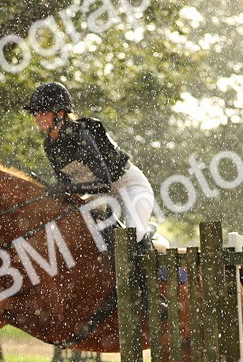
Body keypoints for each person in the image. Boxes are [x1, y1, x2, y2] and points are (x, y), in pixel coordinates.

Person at [24, 82, 167, 249]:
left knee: (132, 238)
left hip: (128, 185)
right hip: (99, 194)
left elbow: (104, 182)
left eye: (43, 112)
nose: (37, 117)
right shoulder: (50, 145)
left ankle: (147, 239)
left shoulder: (80, 135)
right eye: (35, 112)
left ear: (60, 113)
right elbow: (66, 185)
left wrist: (66, 188)